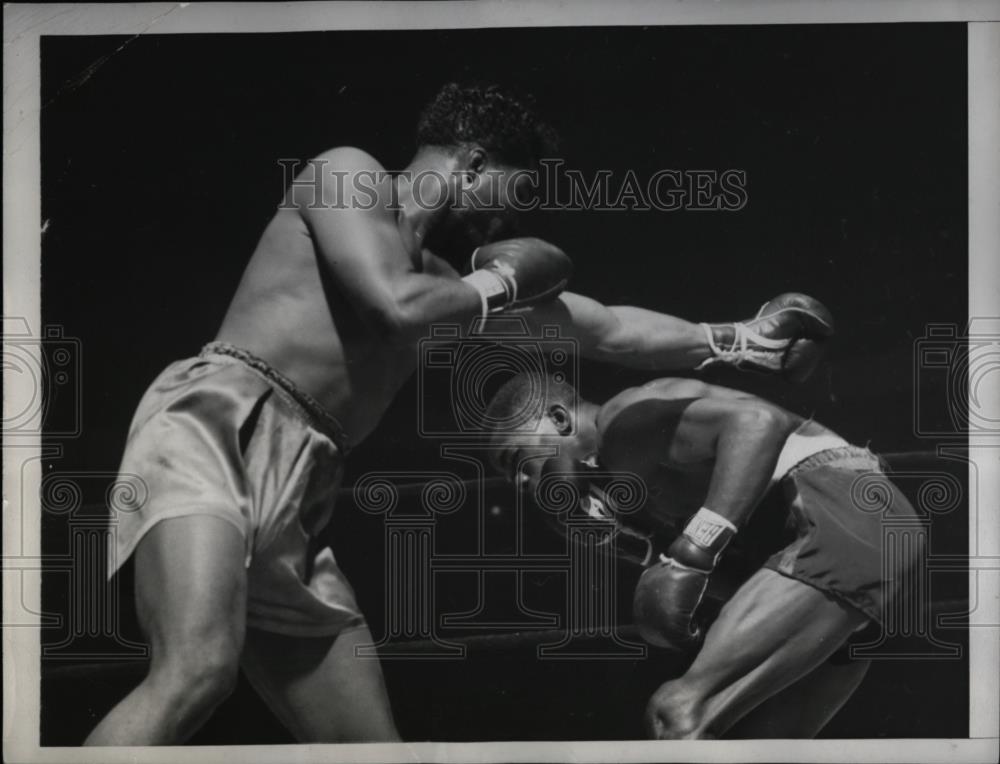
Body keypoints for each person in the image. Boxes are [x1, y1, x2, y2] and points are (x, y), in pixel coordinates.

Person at [89, 82, 832, 745]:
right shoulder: (349, 174)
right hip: (219, 420)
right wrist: (501, 287)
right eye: (513, 188)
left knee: (369, 745)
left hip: (308, 476)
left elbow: (603, 329)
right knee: (196, 670)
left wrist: (740, 342)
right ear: (471, 164)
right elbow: (392, 304)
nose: (512, 213)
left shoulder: (451, 284)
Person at [483, 372, 923, 739]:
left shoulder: (621, 419)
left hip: (840, 511)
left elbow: (758, 421)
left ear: (559, 418)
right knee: (748, 744)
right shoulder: (633, 491)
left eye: (518, 460)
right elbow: (742, 579)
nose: (522, 484)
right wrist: (645, 547)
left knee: (677, 714)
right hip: (860, 544)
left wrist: (693, 548)